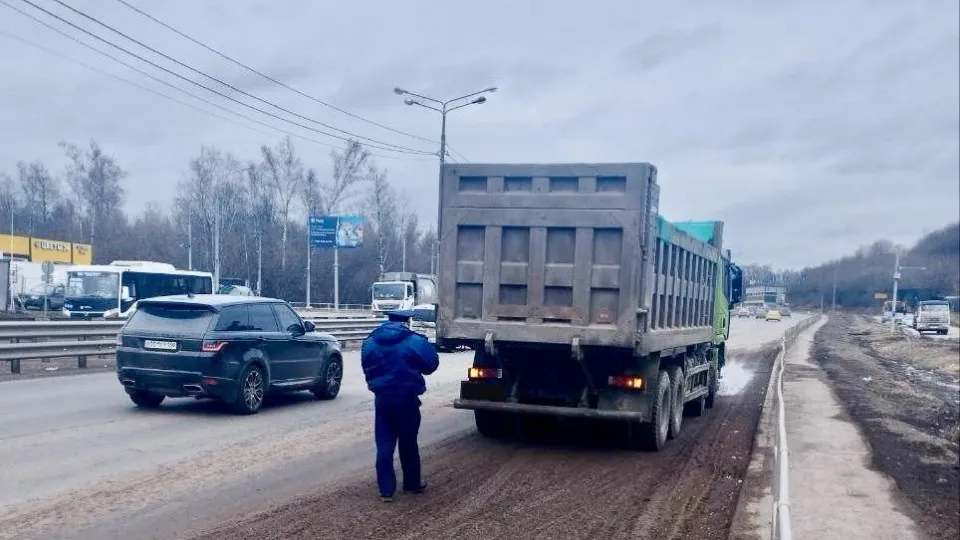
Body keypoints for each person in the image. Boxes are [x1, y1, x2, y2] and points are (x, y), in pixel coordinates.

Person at [360, 309, 440, 502]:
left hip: (382, 399)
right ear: (406, 321)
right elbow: (431, 364)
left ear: (388, 320)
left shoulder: (370, 341)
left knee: (384, 443)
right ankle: (412, 484)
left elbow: (366, 366)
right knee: (408, 442)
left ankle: (386, 491)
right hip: (406, 399)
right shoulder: (413, 341)